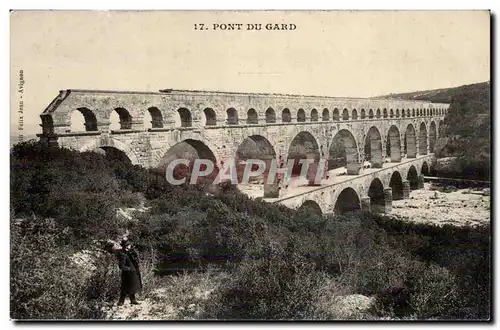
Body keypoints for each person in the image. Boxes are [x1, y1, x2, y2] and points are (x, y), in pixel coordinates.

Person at [115, 238, 143, 306]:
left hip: (132, 272)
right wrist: (129, 269)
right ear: (125, 246)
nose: (130, 246)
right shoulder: (122, 254)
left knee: (132, 287)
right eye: (128, 245)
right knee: (124, 287)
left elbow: (135, 258)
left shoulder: (129, 252)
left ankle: (133, 300)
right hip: (127, 273)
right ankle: (121, 301)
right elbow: (121, 266)